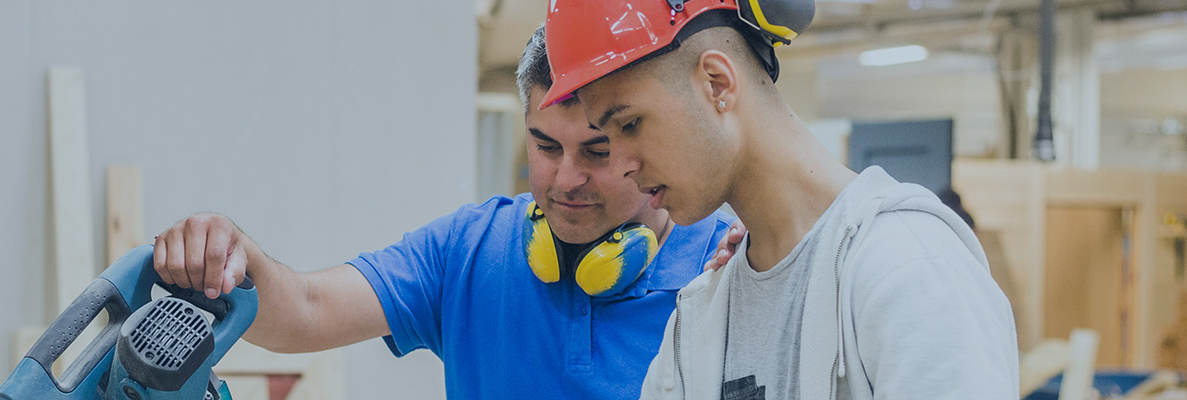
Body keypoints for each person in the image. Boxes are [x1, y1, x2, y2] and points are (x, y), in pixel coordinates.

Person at [147, 28, 746, 400]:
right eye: (545, 146)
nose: (566, 179)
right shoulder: (473, 248)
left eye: (597, 151)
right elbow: (304, 310)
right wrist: (234, 253)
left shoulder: (728, 268)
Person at [539, 0, 1020, 398]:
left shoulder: (907, 270)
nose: (620, 163)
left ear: (717, 84)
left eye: (630, 124)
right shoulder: (703, 314)